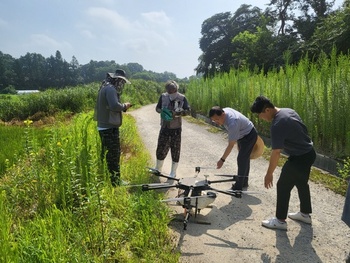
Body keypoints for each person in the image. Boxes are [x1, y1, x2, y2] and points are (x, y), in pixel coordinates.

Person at [250, 95, 316, 230]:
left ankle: (280, 221)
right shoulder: (288, 111)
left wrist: (269, 173)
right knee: (301, 182)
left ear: (267, 110)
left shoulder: (277, 124)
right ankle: (305, 214)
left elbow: (276, 152)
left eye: (260, 115)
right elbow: (303, 130)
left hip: (299, 158)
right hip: (309, 152)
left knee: (282, 186)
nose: (261, 118)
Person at [94, 69, 132, 186]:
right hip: (109, 127)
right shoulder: (110, 89)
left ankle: (111, 179)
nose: (122, 84)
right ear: (117, 79)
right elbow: (115, 106)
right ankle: (116, 182)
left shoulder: (105, 86)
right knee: (114, 155)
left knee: (109, 154)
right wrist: (125, 105)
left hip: (104, 126)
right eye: (121, 81)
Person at [209, 106, 258, 191]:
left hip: (249, 135)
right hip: (241, 134)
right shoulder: (224, 112)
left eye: (217, 119)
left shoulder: (232, 122)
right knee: (244, 158)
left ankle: (238, 187)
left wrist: (222, 160)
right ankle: (244, 183)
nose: (216, 122)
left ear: (223, 114)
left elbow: (231, 145)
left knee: (242, 159)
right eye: (213, 120)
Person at [154, 80, 190, 177]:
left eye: (172, 90)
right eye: (169, 90)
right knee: (161, 148)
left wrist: (178, 113)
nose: (170, 92)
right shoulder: (163, 96)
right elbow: (157, 108)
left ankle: (173, 172)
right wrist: (163, 111)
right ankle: (158, 168)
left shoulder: (182, 98)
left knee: (175, 150)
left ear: (176, 89)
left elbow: (188, 111)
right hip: (164, 127)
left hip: (176, 129)